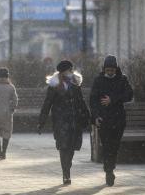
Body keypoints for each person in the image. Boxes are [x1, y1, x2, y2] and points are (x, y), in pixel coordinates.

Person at [38, 60, 90, 185]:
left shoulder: (75, 83)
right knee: (63, 146)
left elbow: (81, 101)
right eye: (69, 70)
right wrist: (41, 121)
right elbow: (47, 103)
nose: (71, 72)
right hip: (60, 121)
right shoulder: (54, 85)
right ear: (63, 72)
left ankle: (68, 167)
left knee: (71, 148)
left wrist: (87, 116)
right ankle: (66, 173)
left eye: (71, 70)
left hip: (74, 120)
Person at [90, 55, 133, 186]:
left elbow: (129, 95)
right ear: (104, 69)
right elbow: (93, 100)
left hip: (118, 119)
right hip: (103, 119)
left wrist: (112, 99)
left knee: (114, 146)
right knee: (107, 145)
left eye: (112, 70)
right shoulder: (99, 80)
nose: (110, 73)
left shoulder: (122, 79)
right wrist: (96, 117)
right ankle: (109, 170)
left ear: (116, 69)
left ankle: (110, 168)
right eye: (107, 70)